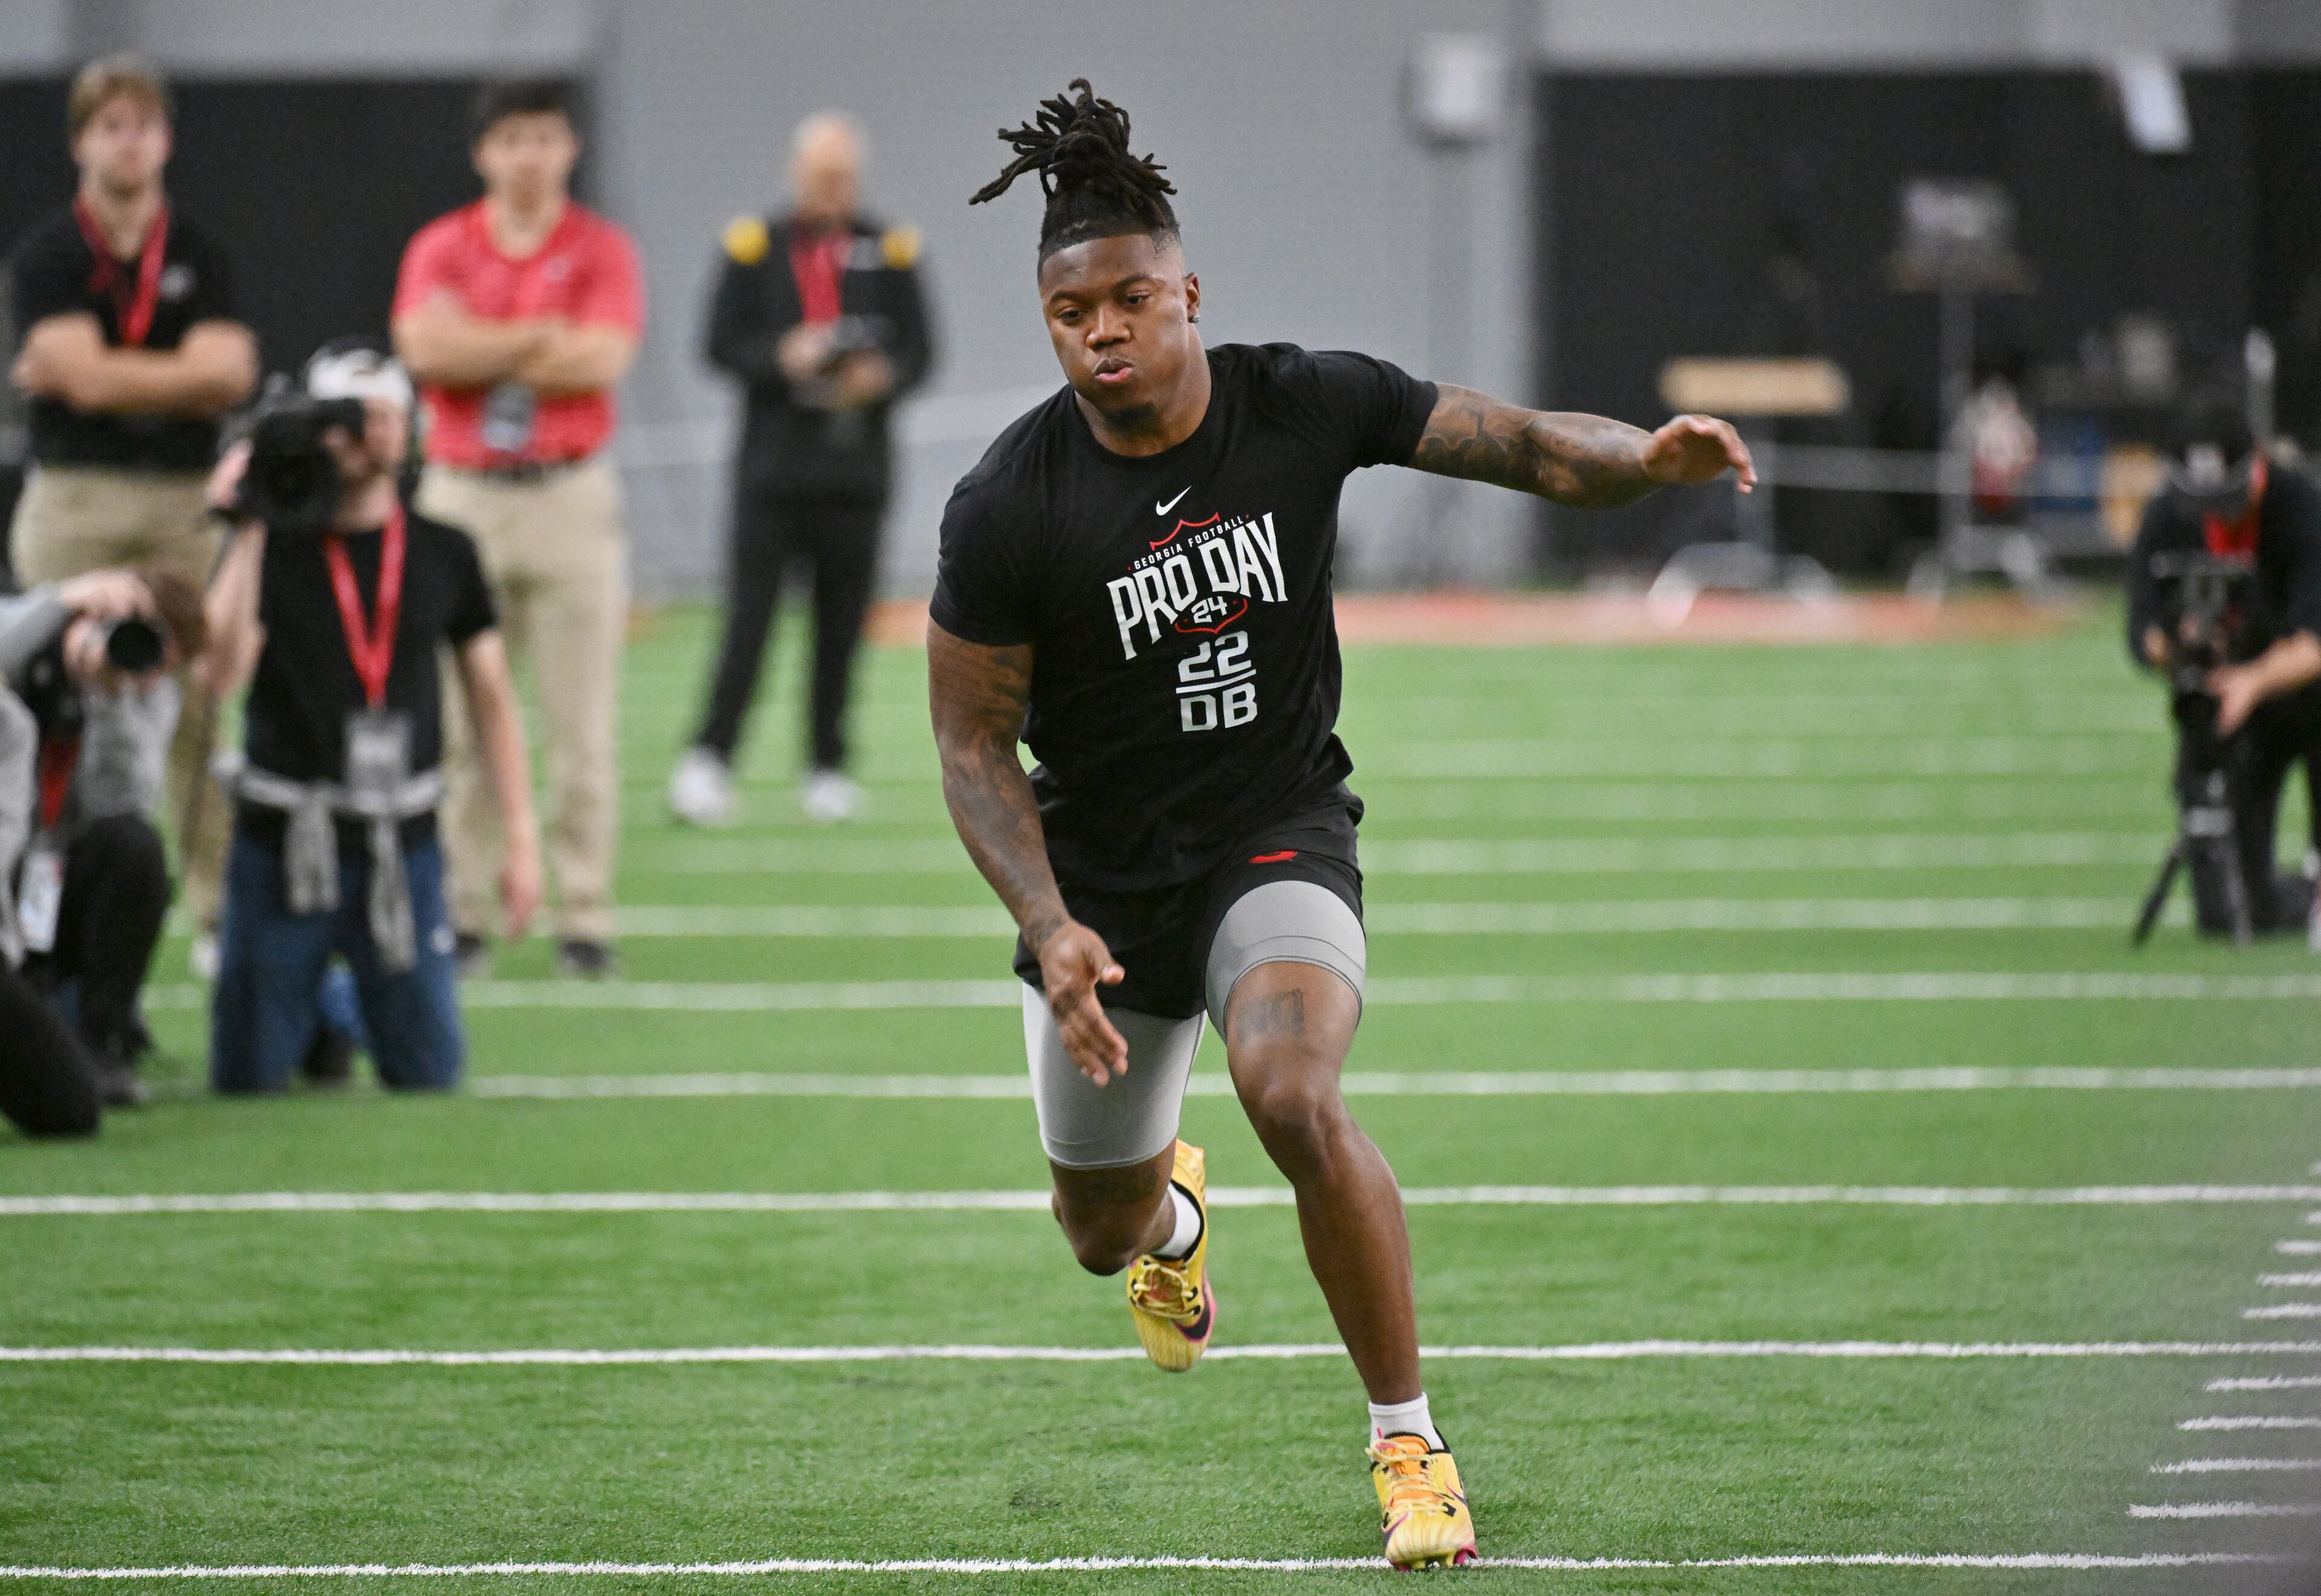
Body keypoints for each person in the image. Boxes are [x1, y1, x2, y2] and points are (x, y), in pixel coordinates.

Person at [928, 81, 1755, 1571]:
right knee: (1094, 1233)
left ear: (1187, 289)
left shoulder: (1298, 399)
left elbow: (1512, 443)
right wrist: (1048, 924)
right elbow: (971, 740)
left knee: (1290, 1090)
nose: (1104, 331)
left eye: (1129, 298)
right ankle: (1170, 1222)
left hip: (1274, 824)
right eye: (1070, 314)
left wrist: (1641, 460)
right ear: (1046, 323)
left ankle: (1407, 1443)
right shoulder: (1008, 504)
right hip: (1107, 878)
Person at [201, 343, 540, 1094]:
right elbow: (221, 672)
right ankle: (313, 1007)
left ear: (413, 430)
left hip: (401, 842)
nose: (366, 434)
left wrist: (521, 835)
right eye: (346, 419)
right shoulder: (275, 545)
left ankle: (334, 1005)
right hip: (286, 839)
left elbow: (491, 694)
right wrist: (251, 517)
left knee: (429, 1074)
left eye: (385, 416)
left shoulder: (445, 548)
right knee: (246, 1079)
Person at [6, 54, 259, 960]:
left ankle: (219, 912)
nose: (131, 141)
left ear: (167, 140)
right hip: (75, 499)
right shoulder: (48, 254)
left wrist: (102, 378)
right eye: (112, 124)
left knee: (198, 699)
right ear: (82, 140)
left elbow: (230, 372)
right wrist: (175, 380)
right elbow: (70, 370)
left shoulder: (199, 253)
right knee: (59, 693)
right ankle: (46, 914)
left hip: (182, 502)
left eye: (145, 125)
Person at [390, 79, 642, 978]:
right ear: (483, 153)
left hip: (569, 490)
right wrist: (538, 336)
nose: (529, 155)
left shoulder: (602, 248)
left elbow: (602, 358)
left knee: (581, 724)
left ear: (569, 148)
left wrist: (485, 340)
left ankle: (584, 913)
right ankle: (458, 909)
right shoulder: (443, 246)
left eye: (544, 137)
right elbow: (425, 352)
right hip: (463, 492)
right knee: (453, 719)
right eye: (512, 139)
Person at [668, 112, 935, 826]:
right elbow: (718, 344)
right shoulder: (754, 248)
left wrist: (880, 377)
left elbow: (921, 352)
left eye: (844, 175)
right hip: (772, 473)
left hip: (857, 474)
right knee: (749, 623)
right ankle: (709, 758)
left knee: (843, 628)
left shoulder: (891, 248)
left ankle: (827, 765)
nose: (833, 188)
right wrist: (781, 357)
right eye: (821, 174)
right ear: (796, 173)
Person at [3, 562, 203, 1105]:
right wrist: (63, 604)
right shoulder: (31, 630)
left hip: (53, 883)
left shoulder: (140, 690)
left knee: (136, 848)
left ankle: (103, 1039)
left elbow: (125, 805)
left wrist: (109, 696)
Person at [2128, 397, 2321, 935]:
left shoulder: (2300, 505)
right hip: (2226, 707)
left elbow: (2317, 638)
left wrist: (2254, 680)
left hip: (2301, 695)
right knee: (2230, 912)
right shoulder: (2168, 514)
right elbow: (2140, 630)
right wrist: (2181, 647)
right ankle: (2282, 896)